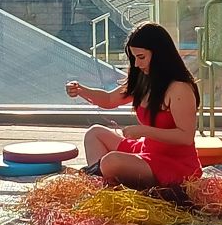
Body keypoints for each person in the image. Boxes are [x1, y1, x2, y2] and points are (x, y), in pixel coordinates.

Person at [66, 22, 202, 189]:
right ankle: (102, 183)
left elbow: (185, 137)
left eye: (141, 57)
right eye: (134, 58)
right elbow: (109, 100)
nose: (137, 64)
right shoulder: (142, 79)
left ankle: (97, 179)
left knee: (111, 161)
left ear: (159, 54)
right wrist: (81, 90)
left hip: (175, 164)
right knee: (94, 133)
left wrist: (143, 131)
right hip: (146, 151)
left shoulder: (179, 88)